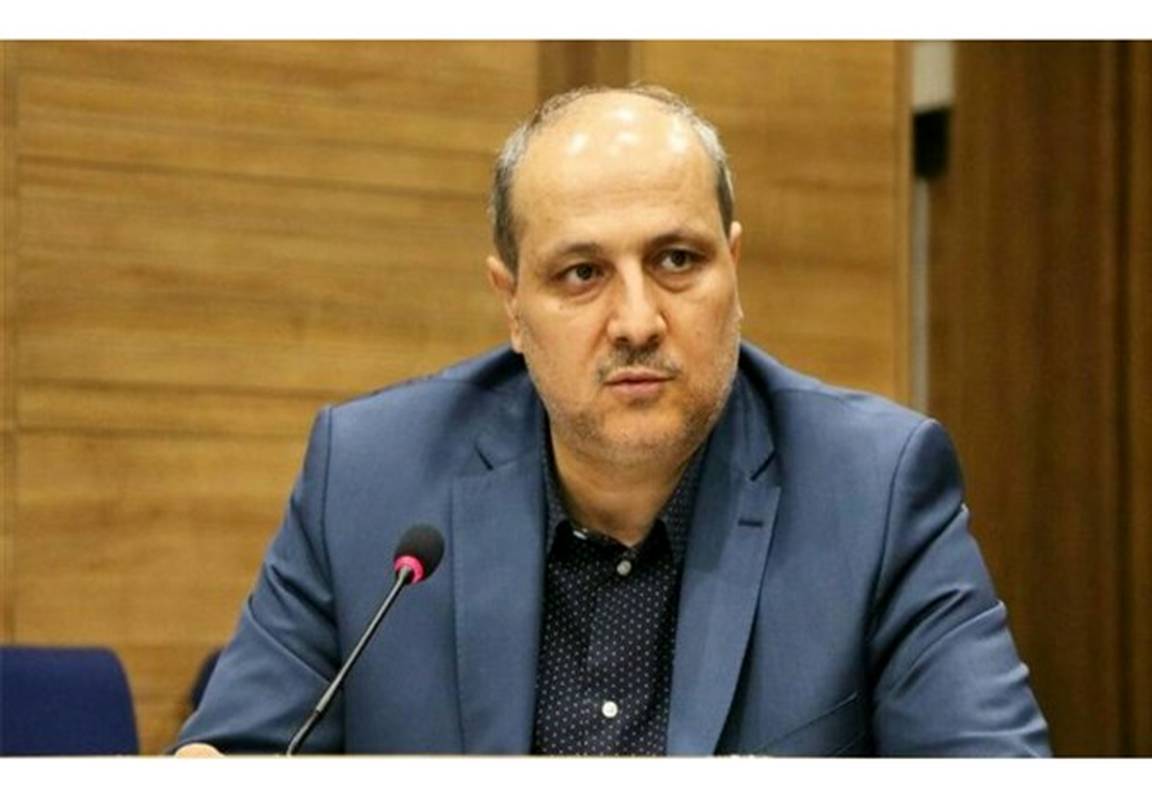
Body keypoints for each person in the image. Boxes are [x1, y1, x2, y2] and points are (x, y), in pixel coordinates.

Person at [175, 84, 1050, 756]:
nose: (636, 320)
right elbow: (237, 756)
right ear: (511, 304)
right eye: (582, 274)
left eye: (677, 260)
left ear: (733, 269)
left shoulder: (876, 488)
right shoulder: (369, 479)